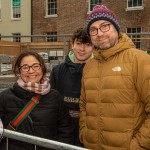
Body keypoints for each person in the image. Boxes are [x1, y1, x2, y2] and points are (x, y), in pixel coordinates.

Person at [79, 4, 150, 150]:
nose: (99, 33)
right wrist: (84, 134)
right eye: (93, 30)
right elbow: (84, 105)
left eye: (105, 26)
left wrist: (137, 146)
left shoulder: (140, 60)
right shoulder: (89, 65)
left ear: (116, 29)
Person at [0, 51, 73, 150]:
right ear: (19, 71)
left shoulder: (55, 97)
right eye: (25, 67)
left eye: (35, 66)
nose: (31, 71)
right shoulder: (5, 97)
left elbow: (65, 130)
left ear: (42, 68)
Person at [50, 27, 93, 146]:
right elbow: (51, 103)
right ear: (72, 45)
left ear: (94, 47)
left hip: (90, 130)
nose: (82, 49)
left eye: (88, 44)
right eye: (79, 43)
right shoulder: (57, 71)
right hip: (64, 130)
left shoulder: (100, 71)